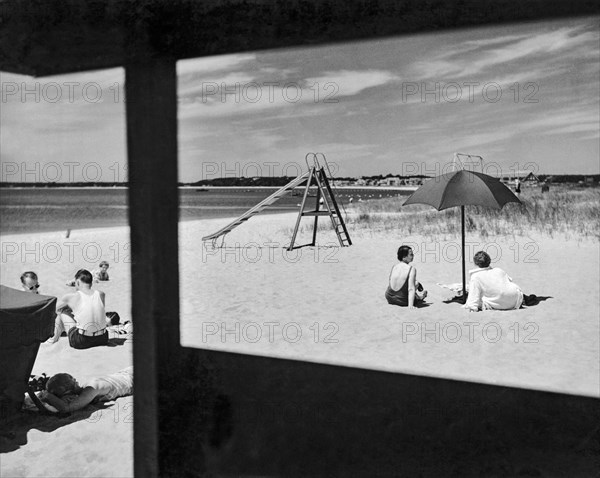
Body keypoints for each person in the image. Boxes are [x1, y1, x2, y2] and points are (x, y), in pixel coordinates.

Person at [49, 269, 109, 349]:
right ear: (91, 283)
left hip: (82, 341)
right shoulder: (101, 294)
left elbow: (53, 309)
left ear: (77, 282)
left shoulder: (71, 297)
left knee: (62, 311)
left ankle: (52, 340)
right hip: (103, 338)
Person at [41, 366, 133, 413]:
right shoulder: (86, 388)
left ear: (67, 392)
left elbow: (67, 408)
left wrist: (48, 396)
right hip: (125, 374)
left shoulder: (90, 389)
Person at [463, 251, 528, 312]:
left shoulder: (475, 277)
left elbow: (473, 297)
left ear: (476, 263)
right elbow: (508, 282)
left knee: (480, 297)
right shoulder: (498, 270)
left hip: (502, 302)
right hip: (515, 298)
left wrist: (471, 307)